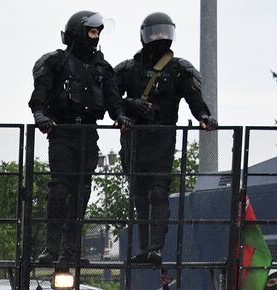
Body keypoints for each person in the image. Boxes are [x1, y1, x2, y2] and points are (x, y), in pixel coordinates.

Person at [29, 10, 129, 267]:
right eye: (92, 32)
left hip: (88, 133)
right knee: (60, 189)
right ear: (78, 32)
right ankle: (51, 248)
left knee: (81, 192)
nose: (95, 37)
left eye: (97, 33)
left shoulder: (101, 67)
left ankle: (70, 249)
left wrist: (120, 116)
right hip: (62, 132)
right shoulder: (56, 62)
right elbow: (40, 93)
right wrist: (40, 115)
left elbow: (112, 98)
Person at [114, 12, 216, 265]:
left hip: (162, 138)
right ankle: (144, 247)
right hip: (134, 140)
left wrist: (204, 116)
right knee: (138, 194)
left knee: (158, 193)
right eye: (155, 32)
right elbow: (110, 99)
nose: (160, 37)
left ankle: (156, 249)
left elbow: (194, 99)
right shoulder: (129, 69)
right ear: (145, 35)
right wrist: (132, 105)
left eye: (164, 32)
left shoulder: (179, 69)